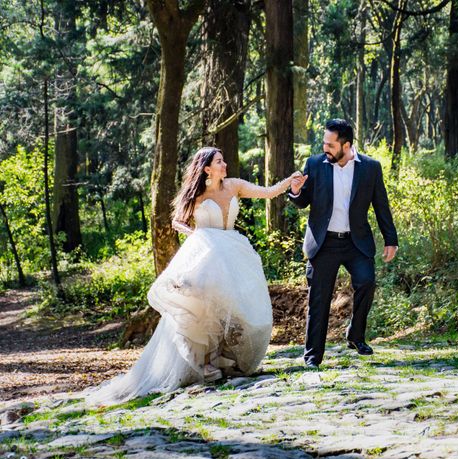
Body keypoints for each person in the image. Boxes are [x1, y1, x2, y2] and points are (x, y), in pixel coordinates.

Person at [85, 147, 301, 405]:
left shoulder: (234, 186)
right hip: (207, 255)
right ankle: (204, 362)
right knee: (202, 308)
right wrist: (197, 237)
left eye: (223, 160)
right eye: (219, 161)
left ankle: (228, 358)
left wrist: (290, 181)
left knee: (235, 306)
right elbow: (178, 221)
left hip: (233, 253)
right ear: (207, 168)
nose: (225, 164)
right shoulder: (196, 194)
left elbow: (267, 192)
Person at [289, 119, 398, 368]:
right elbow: (302, 200)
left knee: (366, 281)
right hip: (323, 242)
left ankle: (355, 334)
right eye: (324, 143)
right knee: (319, 298)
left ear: (346, 145)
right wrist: (295, 191)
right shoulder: (315, 164)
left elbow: (381, 204)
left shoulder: (370, 167)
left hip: (355, 242)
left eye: (330, 144)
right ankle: (313, 356)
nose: (324, 148)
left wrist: (391, 239)